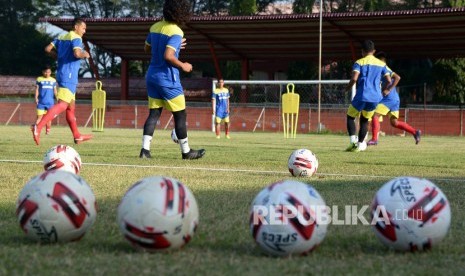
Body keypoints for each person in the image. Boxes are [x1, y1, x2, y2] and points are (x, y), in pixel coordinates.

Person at [139, 0, 205, 160]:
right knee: (180, 115)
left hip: (152, 76)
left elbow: (146, 48)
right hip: (167, 78)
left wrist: (169, 45)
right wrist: (184, 65)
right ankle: (186, 151)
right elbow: (168, 56)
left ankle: (145, 151)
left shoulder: (155, 27)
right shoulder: (176, 31)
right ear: (181, 13)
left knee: (154, 113)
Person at [32, 18, 92, 145]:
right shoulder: (76, 37)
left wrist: (59, 57)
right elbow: (76, 53)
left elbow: (48, 49)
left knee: (71, 108)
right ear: (76, 27)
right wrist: (85, 54)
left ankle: (77, 136)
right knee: (64, 105)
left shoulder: (61, 36)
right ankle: (39, 126)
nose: (84, 31)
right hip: (69, 75)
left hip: (62, 73)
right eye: (83, 28)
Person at [345, 40, 393, 152]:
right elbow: (389, 80)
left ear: (362, 51)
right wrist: (385, 90)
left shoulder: (359, 62)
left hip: (362, 95)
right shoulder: (382, 64)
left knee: (350, 116)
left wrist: (348, 87)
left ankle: (353, 142)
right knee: (365, 120)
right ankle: (360, 144)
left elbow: (354, 78)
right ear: (374, 51)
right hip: (375, 97)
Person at [367, 52, 421, 146]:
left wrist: (388, 90)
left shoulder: (384, 68)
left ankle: (374, 139)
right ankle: (415, 132)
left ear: (381, 61)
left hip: (389, 98)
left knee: (375, 115)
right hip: (395, 99)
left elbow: (397, 77)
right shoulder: (379, 70)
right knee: (394, 123)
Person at [34, 65, 57, 135]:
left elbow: (55, 90)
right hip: (41, 102)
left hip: (50, 103)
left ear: (50, 72)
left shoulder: (53, 80)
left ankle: (48, 131)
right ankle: (36, 130)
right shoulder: (39, 79)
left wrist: (58, 99)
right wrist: (36, 98)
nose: (47, 73)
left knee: (49, 118)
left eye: (49, 72)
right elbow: (37, 89)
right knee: (39, 118)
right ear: (43, 72)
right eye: (46, 72)